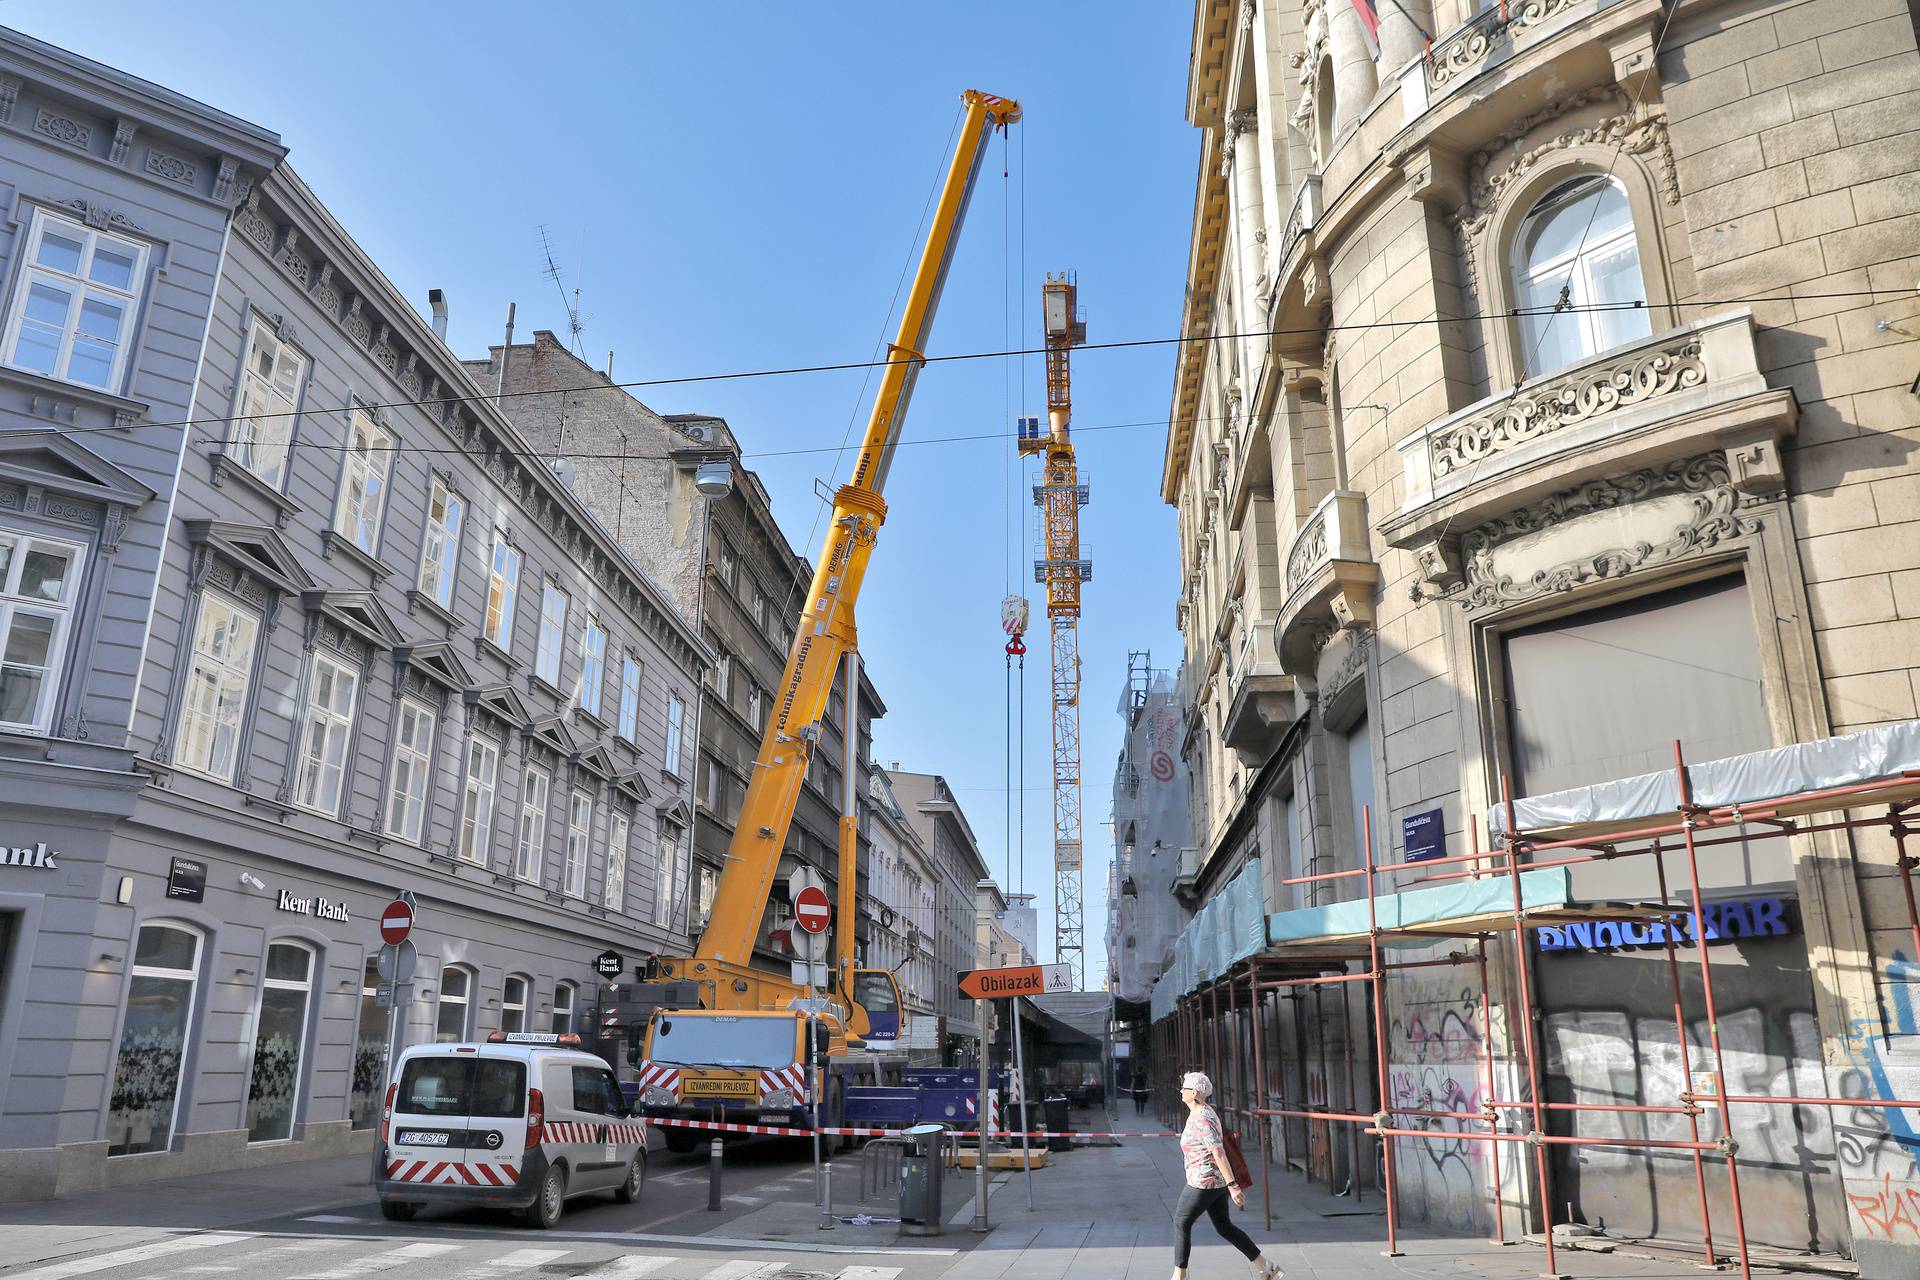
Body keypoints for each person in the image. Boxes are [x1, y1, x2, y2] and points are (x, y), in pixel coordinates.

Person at [1172, 1071, 1280, 1280]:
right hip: (1215, 1181)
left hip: (1204, 1181)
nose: (1181, 1091)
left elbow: (1218, 1151)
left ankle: (1179, 1276)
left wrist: (1233, 1185)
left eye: (1184, 1088)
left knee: (1181, 1222)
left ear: (1194, 1093)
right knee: (1224, 1226)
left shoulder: (1202, 1117)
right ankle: (1265, 1267)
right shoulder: (1201, 1112)